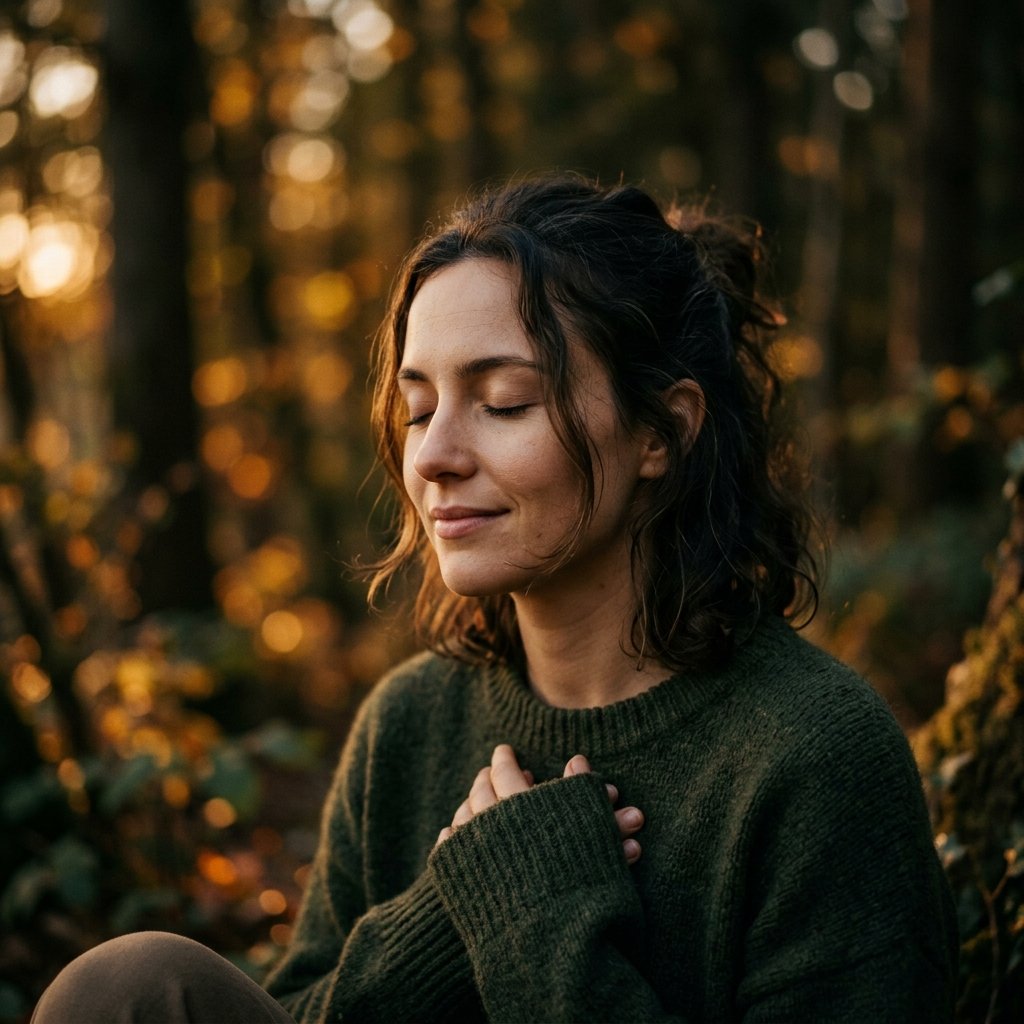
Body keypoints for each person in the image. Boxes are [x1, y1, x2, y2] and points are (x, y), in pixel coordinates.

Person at [32, 175, 958, 1023]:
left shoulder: (814, 757)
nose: (433, 455)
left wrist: (543, 932)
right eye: (419, 407)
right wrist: (447, 915)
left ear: (662, 433)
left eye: (505, 401)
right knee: (125, 986)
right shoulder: (410, 720)